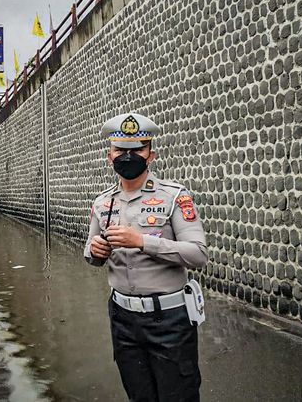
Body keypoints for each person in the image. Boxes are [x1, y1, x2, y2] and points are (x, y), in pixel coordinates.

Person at [84, 113, 208, 402]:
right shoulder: (102, 202)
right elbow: (90, 253)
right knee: (139, 396)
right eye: (120, 151)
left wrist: (142, 241)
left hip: (169, 319)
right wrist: (95, 251)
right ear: (109, 156)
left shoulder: (174, 196)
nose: (128, 157)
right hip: (123, 319)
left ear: (150, 155)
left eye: (137, 150)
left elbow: (198, 253)